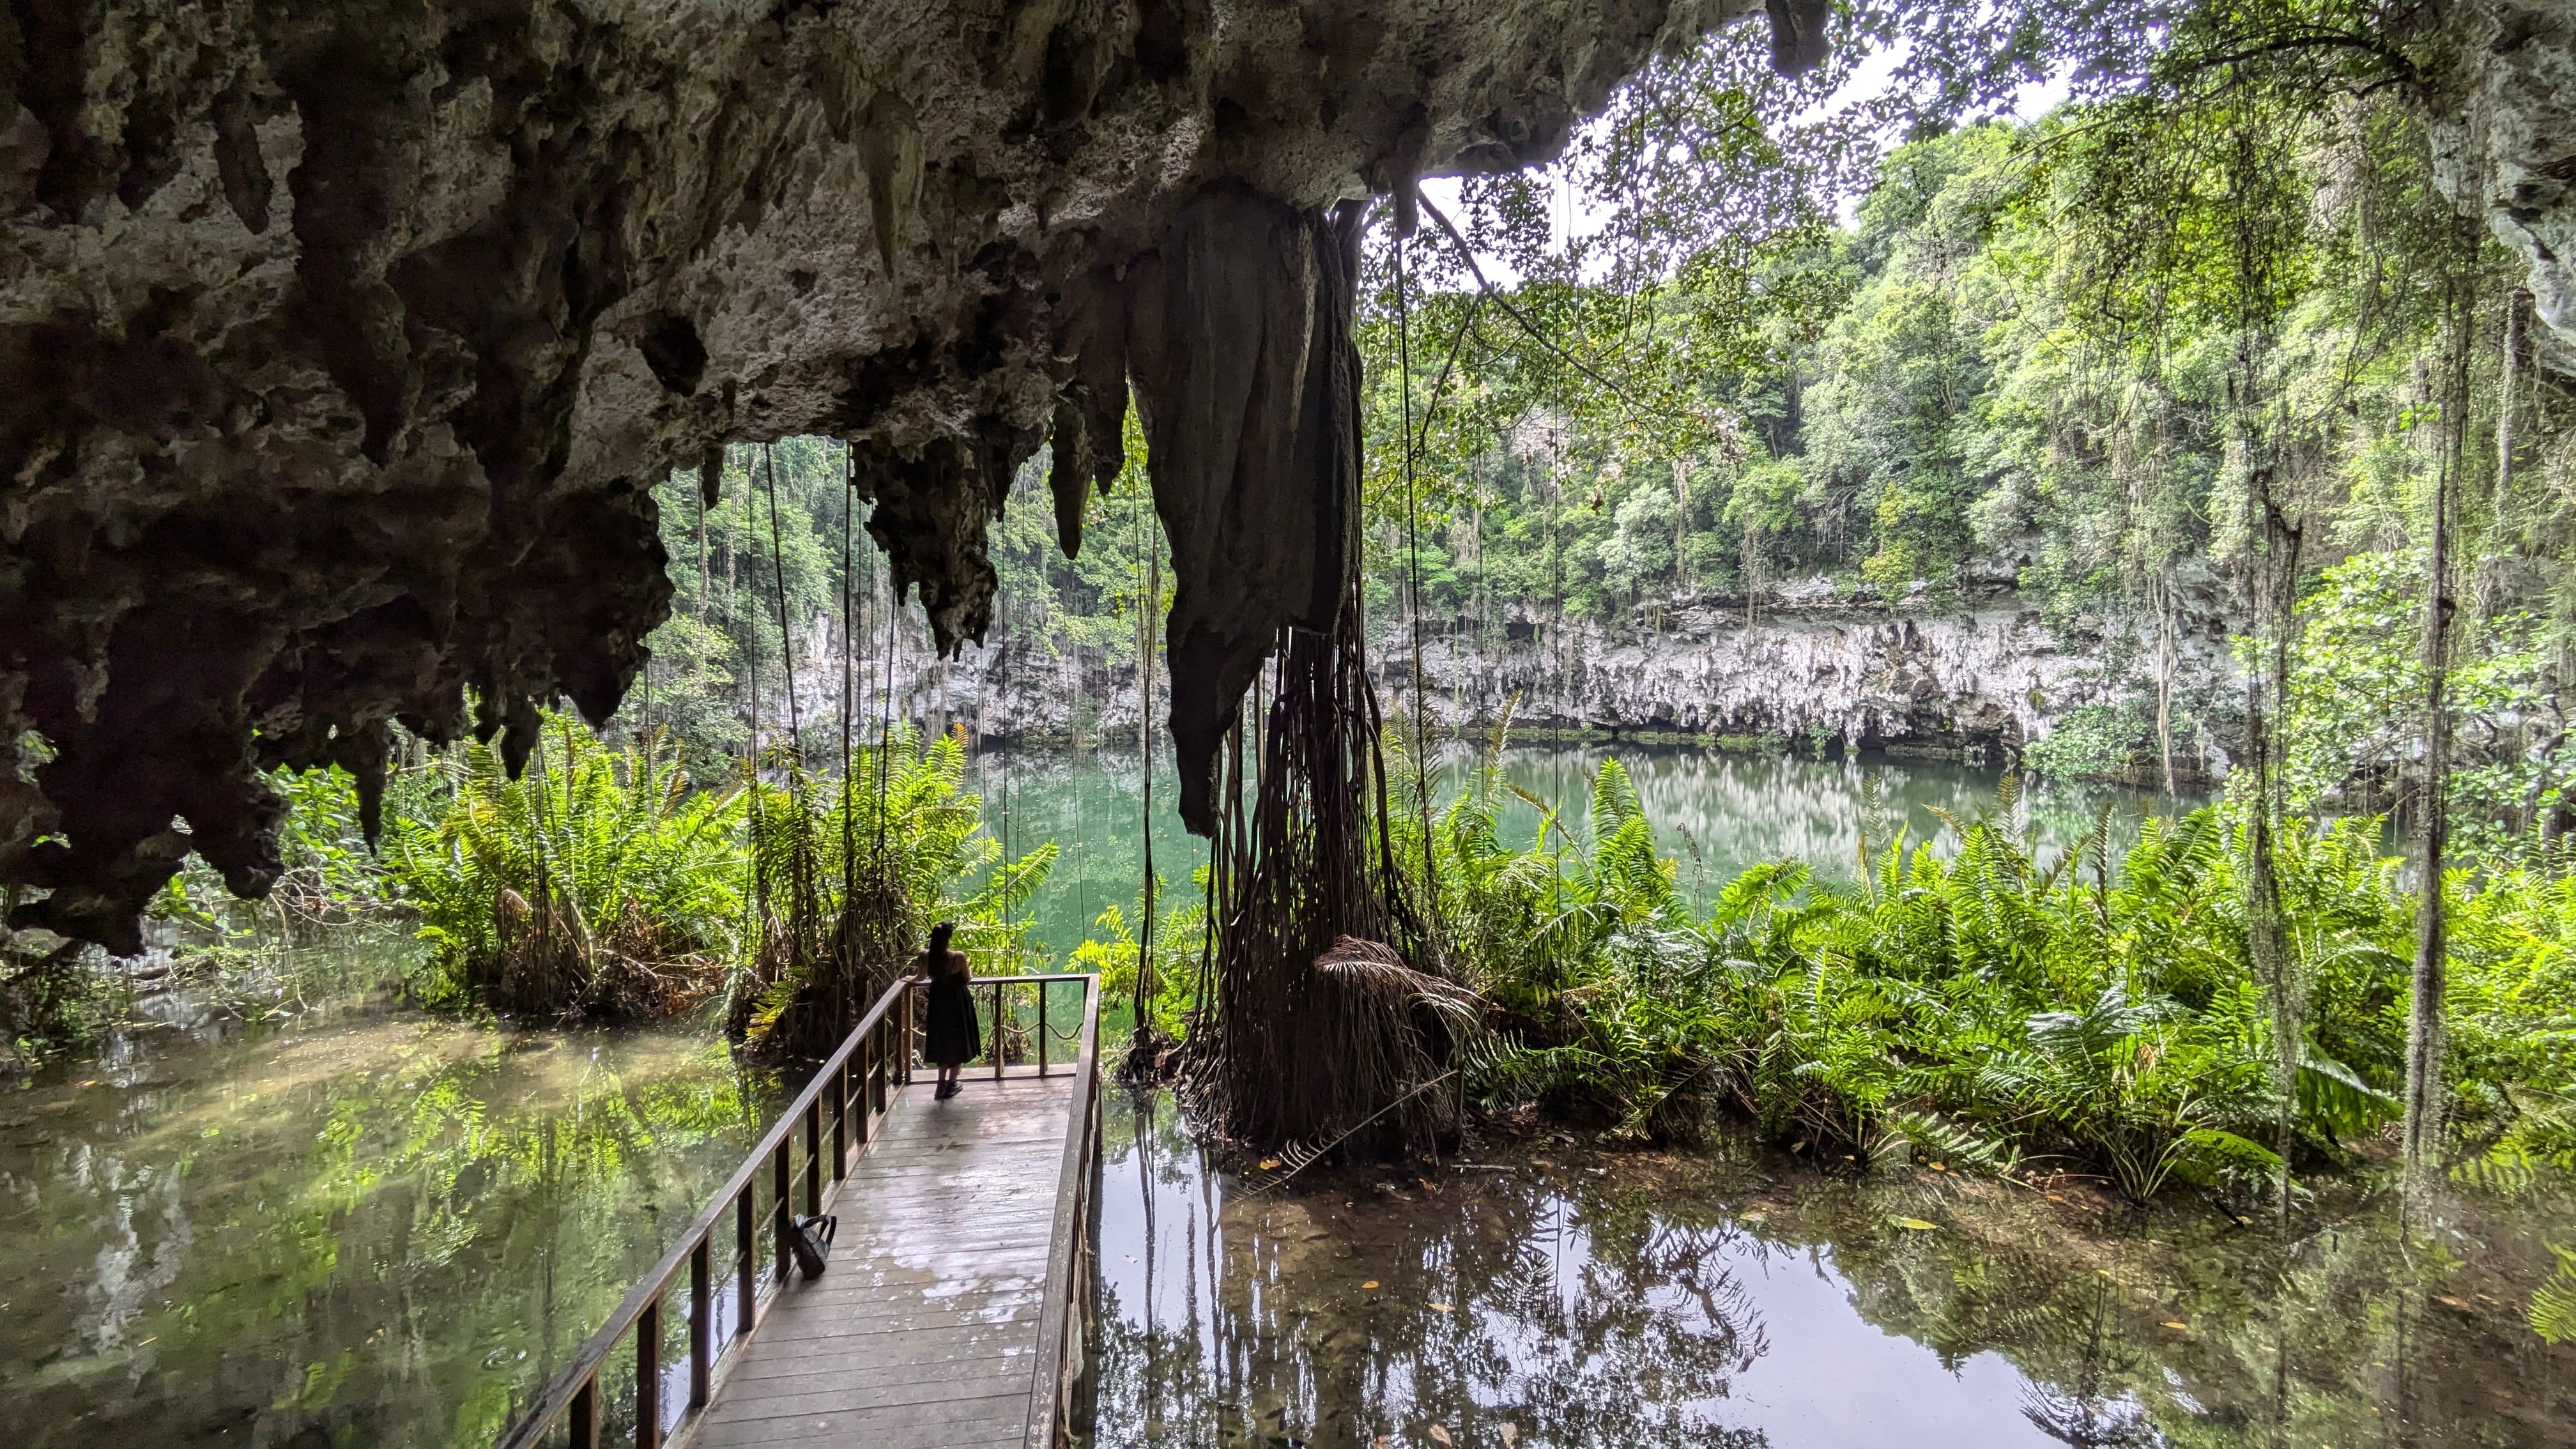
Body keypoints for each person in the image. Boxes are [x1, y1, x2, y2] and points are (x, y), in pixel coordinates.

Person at [919, 919, 979, 1100]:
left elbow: (920, 976)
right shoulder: (957, 957)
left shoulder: (924, 955)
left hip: (938, 1003)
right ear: (949, 937)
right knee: (958, 1041)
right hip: (957, 1003)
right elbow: (967, 978)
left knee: (941, 1040)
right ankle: (952, 1084)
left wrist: (908, 980)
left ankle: (940, 1084)